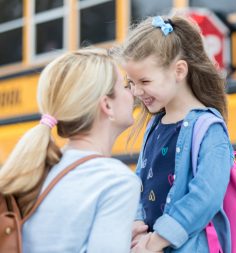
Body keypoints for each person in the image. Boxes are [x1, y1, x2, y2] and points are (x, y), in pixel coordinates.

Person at [0, 48, 140, 253]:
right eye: (126, 86)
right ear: (107, 105)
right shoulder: (116, 182)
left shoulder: (36, 171)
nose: (134, 92)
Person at [122, 16, 234, 253]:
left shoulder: (208, 128)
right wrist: (137, 224)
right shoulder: (155, 125)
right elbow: (140, 181)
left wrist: (158, 240)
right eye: (130, 82)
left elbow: (206, 197)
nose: (136, 91)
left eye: (144, 81)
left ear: (179, 70)